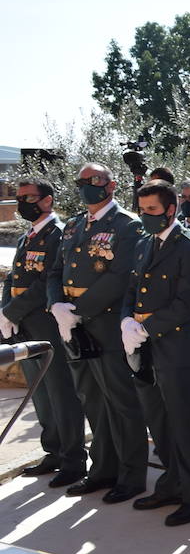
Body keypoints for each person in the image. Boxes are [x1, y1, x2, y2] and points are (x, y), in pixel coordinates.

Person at [47, 162, 147, 502]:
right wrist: (56, 306)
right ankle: (102, 469)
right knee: (91, 399)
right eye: (83, 181)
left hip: (103, 324)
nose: (89, 185)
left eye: (97, 180)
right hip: (71, 324)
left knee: (121, 402)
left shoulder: (126, 226)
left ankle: (132, 475)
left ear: (112, 184)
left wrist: (77, 312)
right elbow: (55, 271)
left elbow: (119, 278)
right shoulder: (74, 224)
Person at [120, 180, 190, 526]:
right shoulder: (145, 243)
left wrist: (146, 327)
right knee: (156, 417)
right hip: (144, 344)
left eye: (153, 211)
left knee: (182, 419)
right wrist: (127, 321)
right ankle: (171, 483)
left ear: (171, 209)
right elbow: (132, 287)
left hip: (173, 344)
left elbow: (187, 300)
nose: (145, 217)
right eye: (142, 210)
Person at [1, 177, 87, 486]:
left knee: (61, 392)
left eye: (28, 197)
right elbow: (14, 277)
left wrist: (12, 310)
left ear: (47, 200)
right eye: (20, 197)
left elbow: (45, 284)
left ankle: (74, 460)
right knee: (40, 394)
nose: (22, 202)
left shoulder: (58, 234)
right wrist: (4, 311)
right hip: (24, 323)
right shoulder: (28, 236)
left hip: (46, 323)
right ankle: (53, 451)